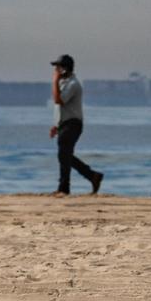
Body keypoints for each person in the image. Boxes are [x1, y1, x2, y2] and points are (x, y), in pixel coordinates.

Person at [48, 54, 104, 196]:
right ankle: (92, 176)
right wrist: (55, 125)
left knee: (63, 154)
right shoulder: (63, 83)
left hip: (73, 124)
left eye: (58, 67)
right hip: (64, 124)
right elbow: (60, 108)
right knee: (65, 155)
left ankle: (64, 188)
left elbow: (58, 100)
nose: (55, 70)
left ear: (65, 69)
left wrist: (54, 81)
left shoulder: (73, 84)